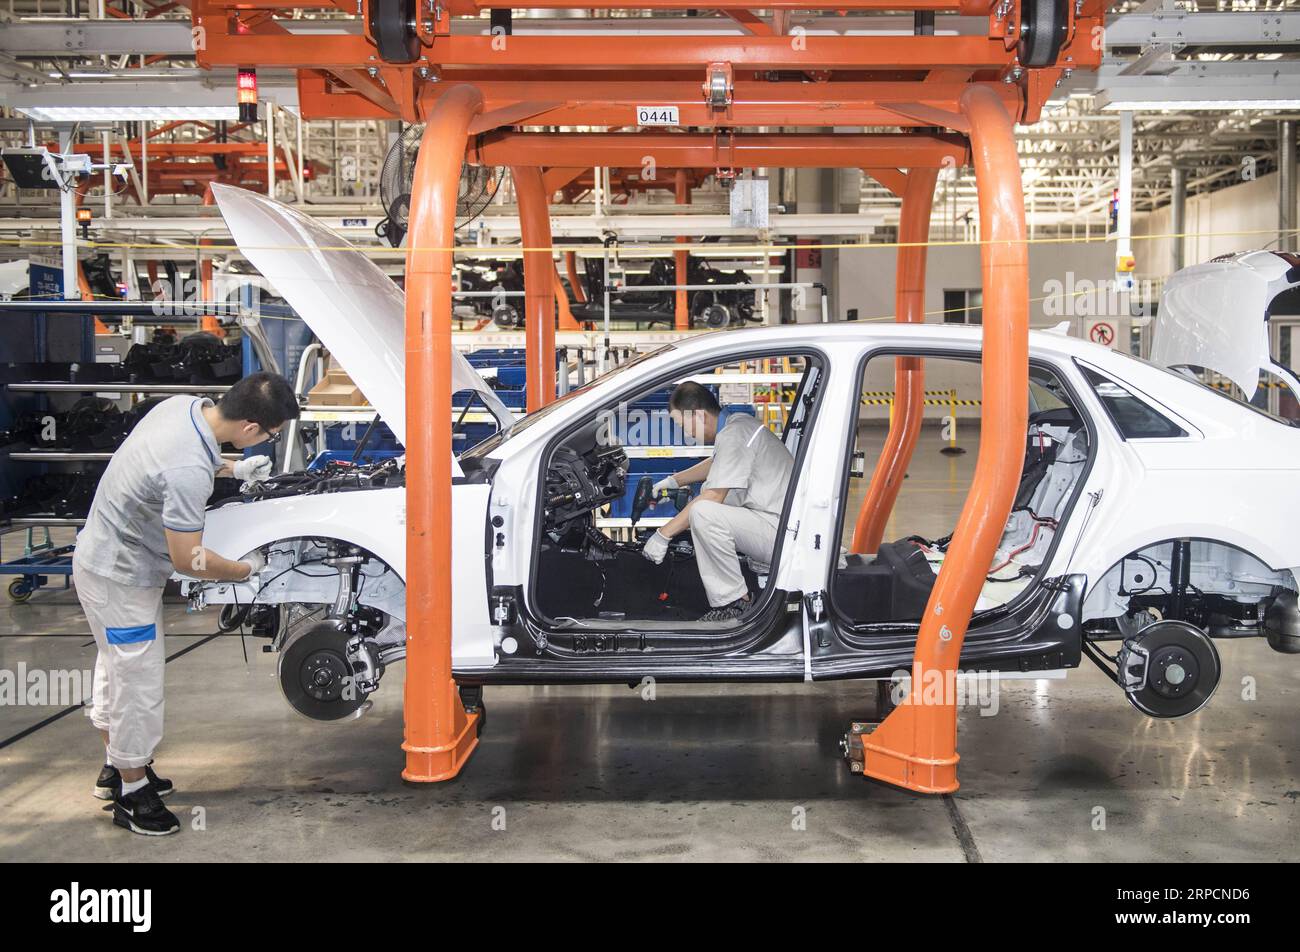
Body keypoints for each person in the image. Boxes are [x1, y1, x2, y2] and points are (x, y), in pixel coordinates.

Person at [72, 372, 300, 835]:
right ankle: (133, 795)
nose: (268, 442)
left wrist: (233, 469)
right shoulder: (188, 471)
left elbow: (172, 463)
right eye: (271, 435)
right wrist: (246, 569)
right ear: (252, 429)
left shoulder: (180, 405)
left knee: (116, 667)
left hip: (101, 562)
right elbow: (189, 559)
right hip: (120, 578)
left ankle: (116, 769)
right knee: (136, 680)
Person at [641, 381, 794, 621]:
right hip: (779, 525)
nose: (686, 433)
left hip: (782, 533)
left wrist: (663, 535)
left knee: (703, 512)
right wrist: (673, 481)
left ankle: (734, 603)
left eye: (683, 424)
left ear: (699, 415)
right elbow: (718, 463)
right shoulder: (738, 425)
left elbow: (712, 497)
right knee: (703, 504)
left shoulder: (735, 433)